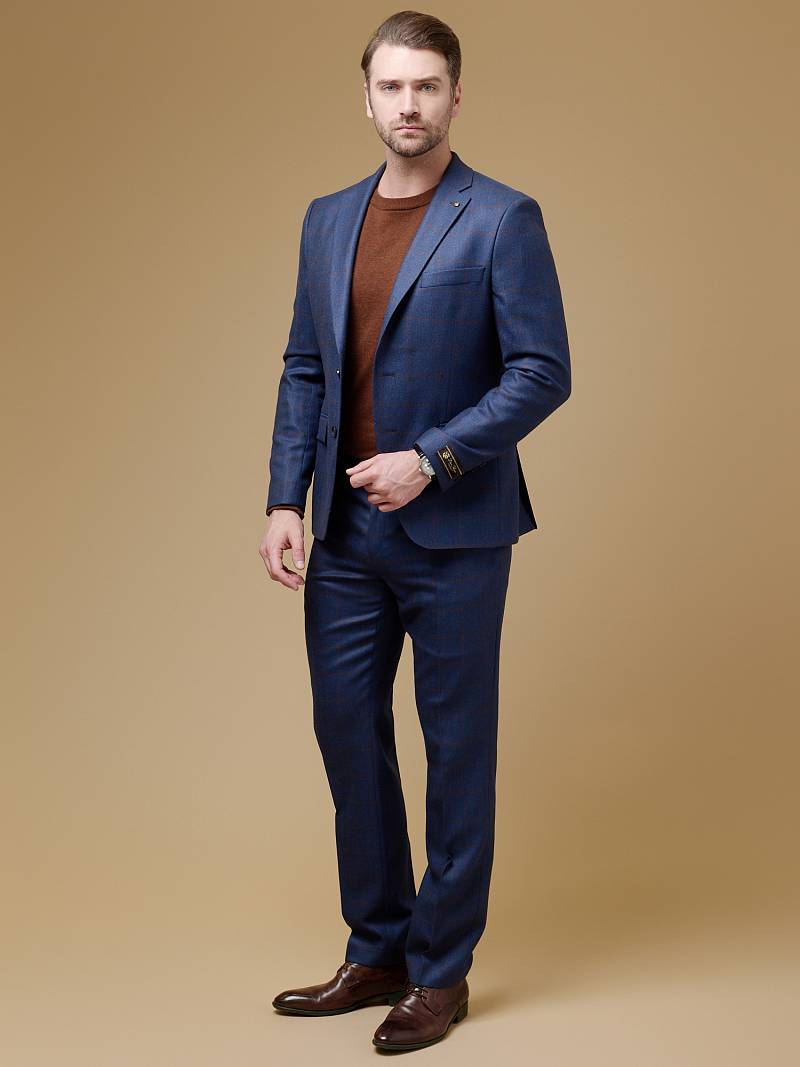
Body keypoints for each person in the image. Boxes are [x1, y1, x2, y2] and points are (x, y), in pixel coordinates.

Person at [259, 10, 571, 1052]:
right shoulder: (325, 218)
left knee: (455, 752)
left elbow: (542, 371)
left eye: (426, 86)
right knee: (347, 737)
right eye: (391, 86)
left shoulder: (502, 217)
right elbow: (305, 366)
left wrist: (430, 459)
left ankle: (440, 971)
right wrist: (285, 500)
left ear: (454, 96)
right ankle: (379, 947)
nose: (408, 104)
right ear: (366, 97)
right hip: (344, 536)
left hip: (457, 535)